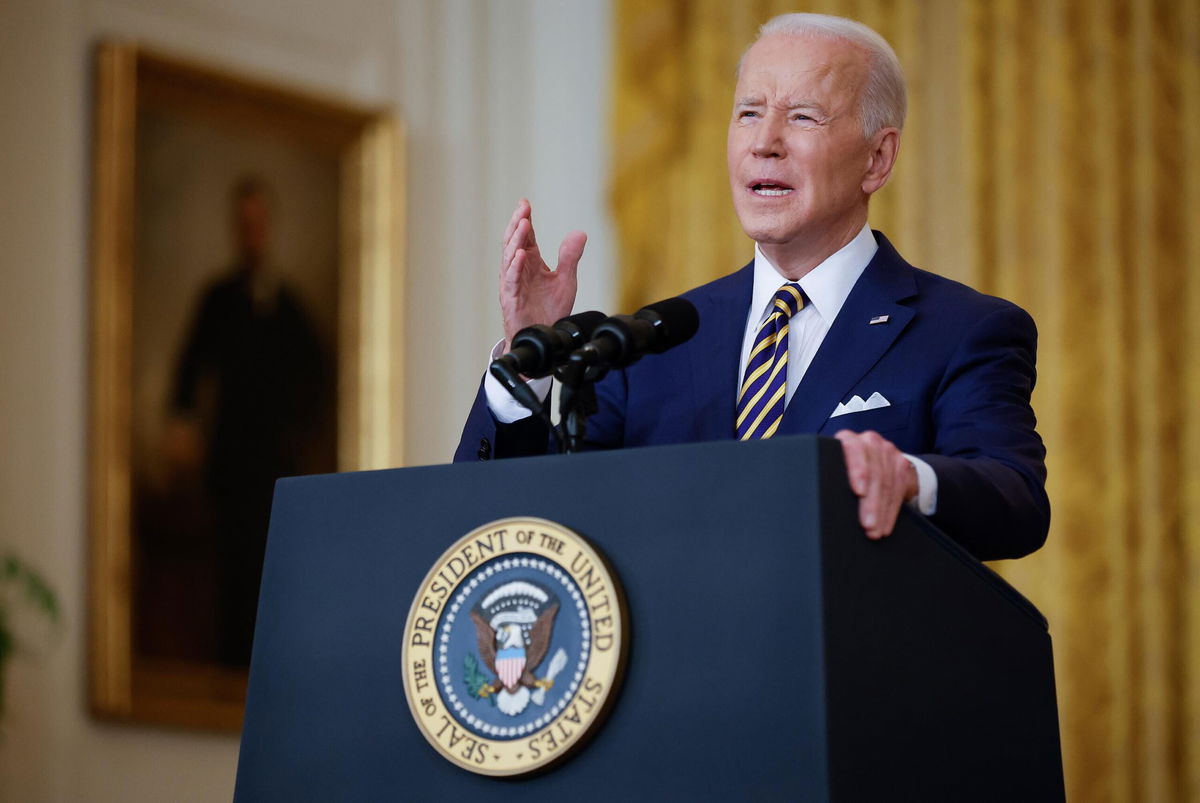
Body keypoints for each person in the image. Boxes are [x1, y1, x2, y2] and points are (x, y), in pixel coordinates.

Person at [454, 13, 1048, 561]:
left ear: (877, 159)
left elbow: (1015, 500)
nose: (765, 141)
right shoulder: (649, 340)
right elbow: (523, 525)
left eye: (802, 116)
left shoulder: (961, 330)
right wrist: (527, 363)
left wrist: (908, 478)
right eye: (748, 113)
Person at [165, 176, 330, 665]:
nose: (251, 234)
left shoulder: (292, 307)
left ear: (270, 228)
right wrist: (181, 426)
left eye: (258, 224)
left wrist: (298, 426)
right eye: (243, 225)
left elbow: (318, 377)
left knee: (271, 576)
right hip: (229, 463)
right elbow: (187, 371)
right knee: (229, 574)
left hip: (275, 467)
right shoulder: (217, 299)